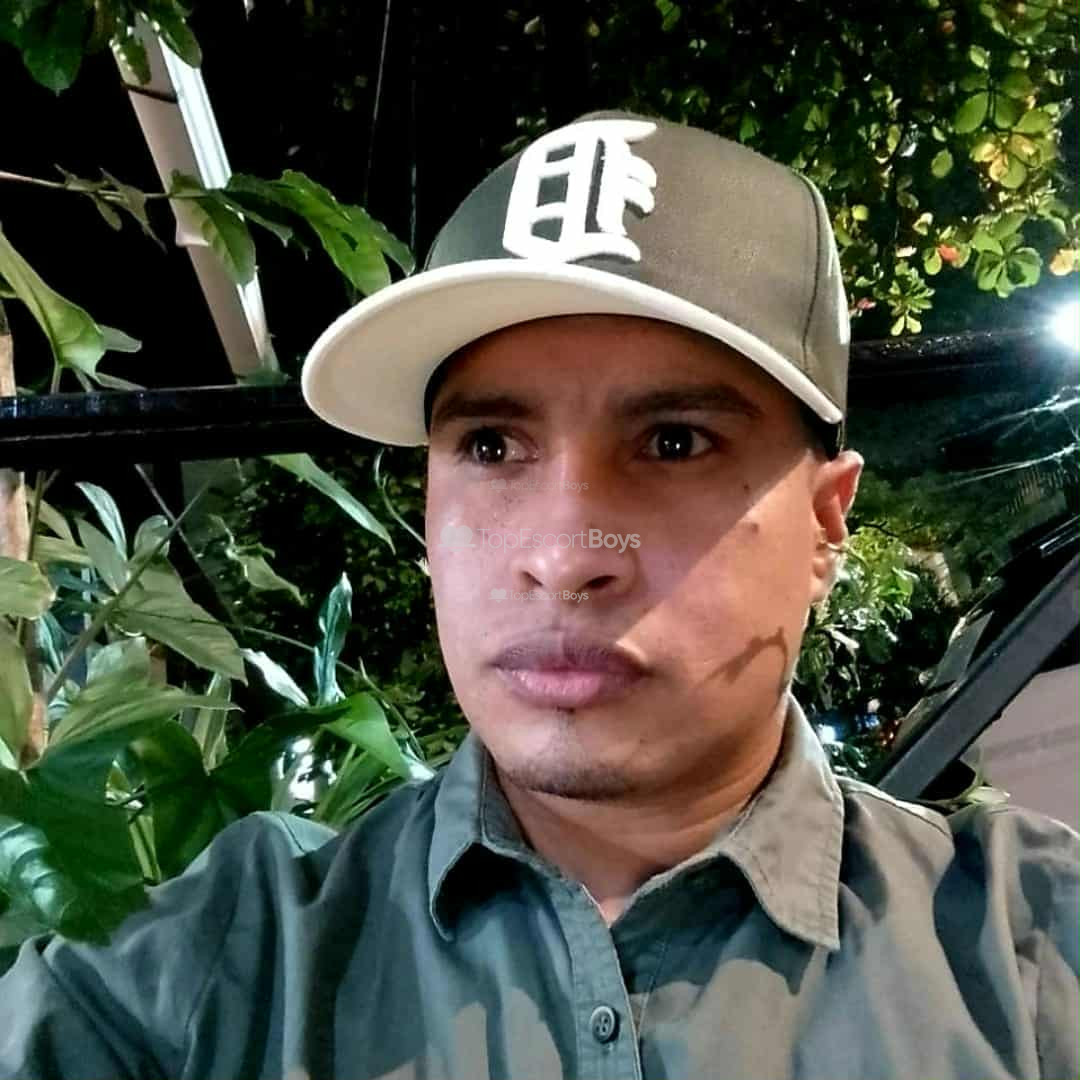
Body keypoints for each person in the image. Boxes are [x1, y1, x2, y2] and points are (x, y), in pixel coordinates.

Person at [1, 111, 1076, 1080]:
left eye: (674, 441)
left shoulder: (1032, 953)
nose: (563, 557)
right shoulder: (222, 967)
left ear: (826, 524)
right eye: (491, 445)